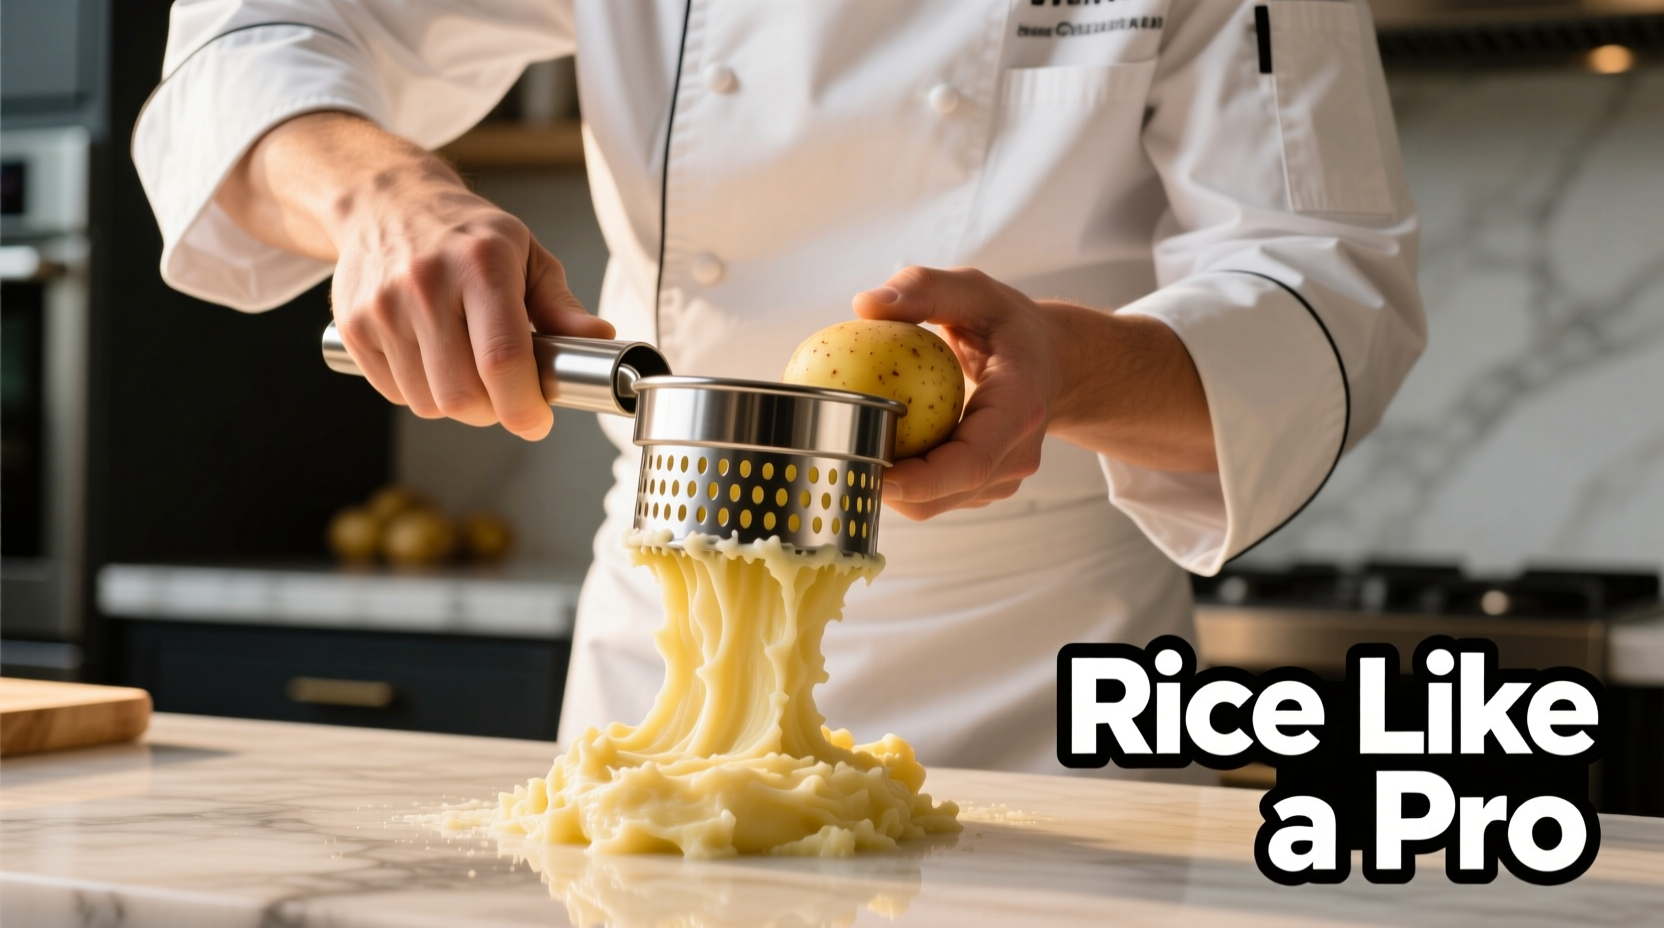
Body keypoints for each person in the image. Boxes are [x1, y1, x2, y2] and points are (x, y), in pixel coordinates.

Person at [134, 0, 1425, 776]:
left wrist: (1064, 366)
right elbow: (257, 40)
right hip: (659, 661)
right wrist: (382, 196)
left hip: (1035, 670)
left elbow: (1325, 290)